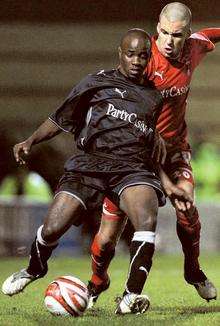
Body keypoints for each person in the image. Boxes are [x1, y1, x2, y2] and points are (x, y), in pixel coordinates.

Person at [2, 29, 191, 314]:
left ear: (149, 57)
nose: (137, 61)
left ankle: (131, 295)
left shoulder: (153, 97)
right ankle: (32, 270)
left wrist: (167, 182)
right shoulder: (96, 82)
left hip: (131, 168)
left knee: (147, 219)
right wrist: (31, 140)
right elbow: (60, 118)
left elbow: (151, 145)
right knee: (53, 227)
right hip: (90, 164)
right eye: (131, 54)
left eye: (143, 55)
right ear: (120, 54)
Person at [87, 2, 219, 312]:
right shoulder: (142, 61)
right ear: (156, 27)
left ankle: (193, 271)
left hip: (174, 152)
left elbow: (210, 34)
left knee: (187, 209)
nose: (169, 41)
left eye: (177, 35)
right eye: (163, 33)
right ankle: (97, 280)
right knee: (107, 237)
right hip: (135, 154)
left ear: (187, 34)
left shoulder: (194, 48)